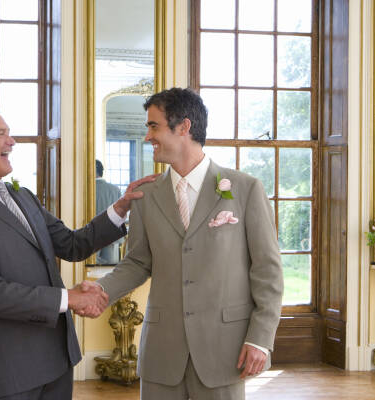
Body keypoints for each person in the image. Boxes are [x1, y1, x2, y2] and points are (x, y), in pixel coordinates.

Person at [0, 102, 156, 400]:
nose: (12, 141)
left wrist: (119, 208)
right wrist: (69, 298)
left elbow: (74, 245)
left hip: (58, 357)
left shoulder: (22, 196)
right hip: (12, 369)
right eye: (1, 134)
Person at [84, 88, 284, 399]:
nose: (148, 136)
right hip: (162, 354)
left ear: (184, 127)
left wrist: (260, 338)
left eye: (154, 126)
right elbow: (138, 262)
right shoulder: (146, 195)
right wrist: (101, 291)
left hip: (226, 350)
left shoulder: (245, 190)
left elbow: (267, 271)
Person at [95, 159, 122, 264]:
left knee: (91, 267)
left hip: (92, 235)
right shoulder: (115, 190)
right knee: (108, 268)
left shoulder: (87, 189)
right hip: (111, 235)